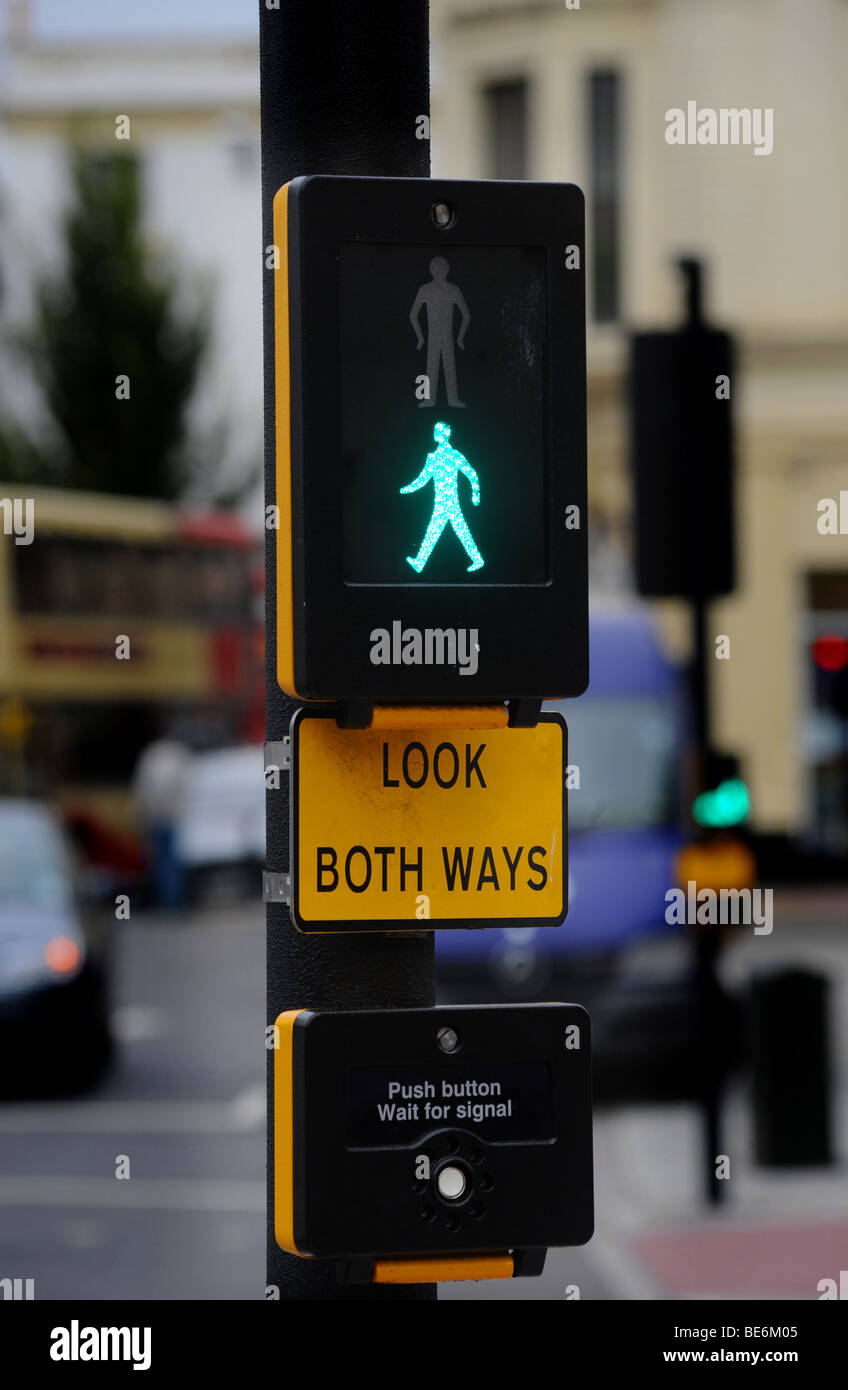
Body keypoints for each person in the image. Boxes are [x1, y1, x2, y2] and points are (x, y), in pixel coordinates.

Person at [400, 421, 484, 573]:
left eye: (438, 430)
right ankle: (477, 559)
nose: (435, 432)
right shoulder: (435, 457)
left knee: (444, 532)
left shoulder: (451, 455)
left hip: (448, 503)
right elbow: (422, 479)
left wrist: (475, 494)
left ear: (445, 433)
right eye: (435, 429)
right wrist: (407, 489)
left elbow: (472, 474)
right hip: (444, 504)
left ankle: (420, 563)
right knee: (444, 532)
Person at [132, 738, 191, 910]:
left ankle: (168, 902)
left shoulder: (151, 757)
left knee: (162, 862)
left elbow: (143, 789)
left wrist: (144, 814)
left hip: (160, 818)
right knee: (171, 862)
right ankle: (174, 901)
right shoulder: (178, 755)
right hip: (173, 818)